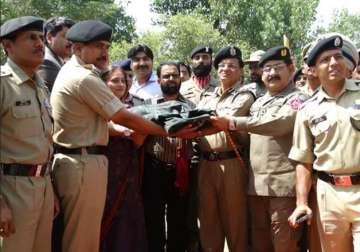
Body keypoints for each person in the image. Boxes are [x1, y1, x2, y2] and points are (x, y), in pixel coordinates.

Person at [50, 20, 167, 252]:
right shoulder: (83, 78)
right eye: (97, 46)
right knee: (82, 242)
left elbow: (100, 123)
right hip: (82, 163)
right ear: (77, 48)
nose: (104, 52)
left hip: (80, 162)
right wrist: (167, 130)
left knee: (86, 238)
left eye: (106, 46)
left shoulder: (76, 72)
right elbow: (123, 117)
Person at [212, 46, 306, 252]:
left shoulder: (299, 98)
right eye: (267, 69)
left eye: (277, 67)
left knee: (285, 243)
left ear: (291, 69)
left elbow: (280, 123)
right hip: (255, 187)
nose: (271, 73)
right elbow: (249, 138)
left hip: (283, 188)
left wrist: (233, 122)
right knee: (259, 245)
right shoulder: (259, 102)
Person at [288, 35, 360, 252]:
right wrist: (302, 203)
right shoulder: (307, 110)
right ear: (313, 69)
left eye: (338, 57)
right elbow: (303, 160)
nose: (333, 63)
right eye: (325, 59)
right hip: (329, 195)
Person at [0, 16, 55, 252]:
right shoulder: (3, 84)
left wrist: (50, 190)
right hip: (12, 190)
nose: (40, 43)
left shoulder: (40, 86)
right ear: (7, 45)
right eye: (31, 38)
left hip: (43, 186)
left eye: (42, 38)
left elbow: (44, 144)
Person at [195, 46, 254, 252]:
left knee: (236, 223)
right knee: (208, 223)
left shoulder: (246, 95)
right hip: (205, 163)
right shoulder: (206, 95)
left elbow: (221, 120)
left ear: (240, 71)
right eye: (221, 65)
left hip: (232, 163)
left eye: (231, 65)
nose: (226, 69)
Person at [141, 61, 194, 252]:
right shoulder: (148, 106)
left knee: (179, 223)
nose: (171, 79)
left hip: (181, 171)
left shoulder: (191, 106)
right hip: (154, 169)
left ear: (180, 78)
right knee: (153, 221)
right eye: (166, 76)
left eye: (174, 75)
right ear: (159, 79)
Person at [100, 65, 147, 252]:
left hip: (129, 173)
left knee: (128, 222)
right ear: (103, 84)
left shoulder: (133, 110)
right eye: (114, 81)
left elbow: (138, 142)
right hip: (103, 172)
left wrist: (139, 133)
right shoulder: (96, 108)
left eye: (123, 80)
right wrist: (123, 131)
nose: (120, 84)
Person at [37, 16, 74, 91]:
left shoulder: (60, 60)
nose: (71, 42)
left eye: (72, 38)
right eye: (66, 37)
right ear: (50, 38)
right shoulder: (46, 62)